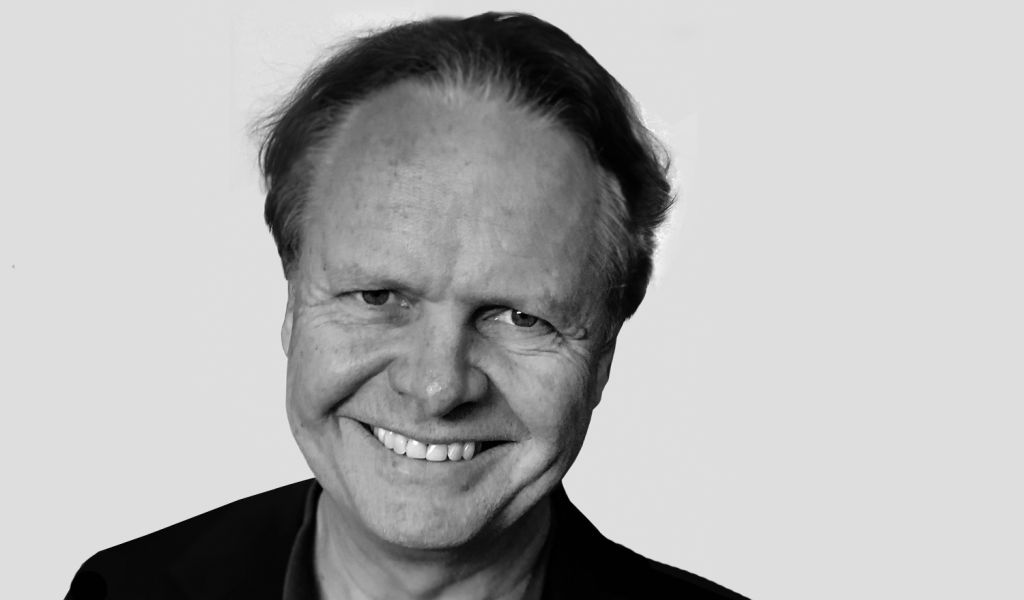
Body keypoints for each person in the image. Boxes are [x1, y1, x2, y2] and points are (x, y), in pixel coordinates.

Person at [66, 12, 746, 600]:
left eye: (520, 317)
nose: (436, 387)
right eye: (377, 296)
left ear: (602, 358)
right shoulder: (122, 591)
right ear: (293, 306)